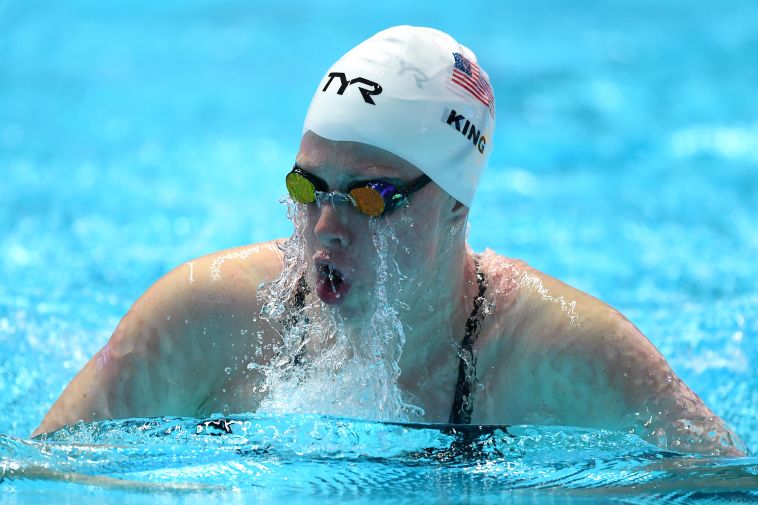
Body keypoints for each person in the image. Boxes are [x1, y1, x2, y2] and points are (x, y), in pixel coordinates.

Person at [33, 26, 746, 456]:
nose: (329, 228)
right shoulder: (201, 317)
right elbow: (39, 471)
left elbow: (716, 480)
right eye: (310, 187)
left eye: (373, 197)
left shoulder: (560, 355)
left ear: (457, 207)